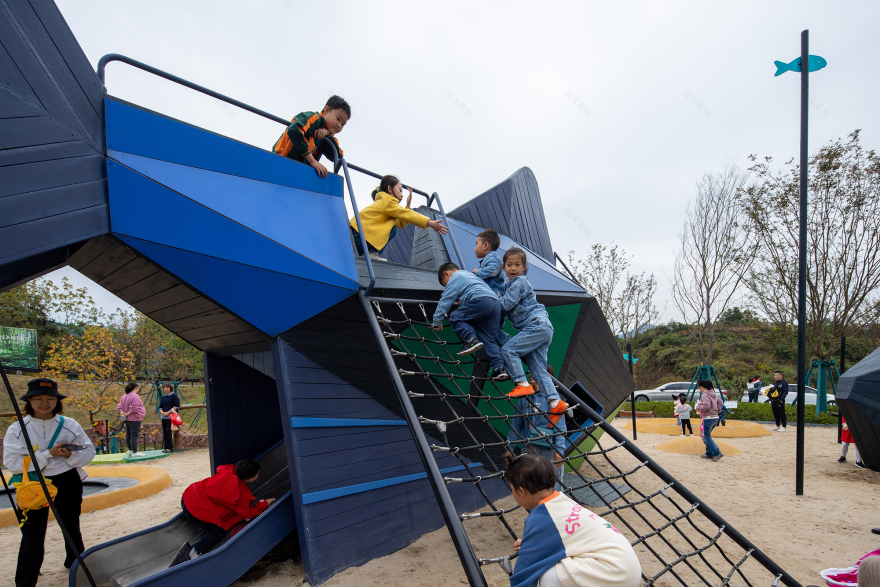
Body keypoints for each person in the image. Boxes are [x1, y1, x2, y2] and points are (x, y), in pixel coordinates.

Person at [3, 378, 96, 586]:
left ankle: (76, 565)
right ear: (29, 400)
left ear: (57, 400)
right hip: (33, 485)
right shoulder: (18, 428)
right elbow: (13, 463)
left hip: (66, 480)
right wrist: (47, 455)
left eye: (50, 398)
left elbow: (89, 452)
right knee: (32, 533)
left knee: (71, 525)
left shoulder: (70, 424)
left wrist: (68, 457)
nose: (44, 403)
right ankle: (25, 581)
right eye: (38, 398)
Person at [506, 453, 641, 587]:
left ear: (521, 491)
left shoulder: (541, 517)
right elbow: (562, 535)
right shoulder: (562, 501)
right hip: (626, 569)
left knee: (550, 576)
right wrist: (532, 543)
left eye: (512, 489)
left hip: (613, 574)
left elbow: (525, 571)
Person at [498, 248, 568, 424]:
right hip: (542, 328)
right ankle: (555, 402)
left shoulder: (519, 282)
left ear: (524, 267)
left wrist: (489, 297)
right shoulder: (508, 284)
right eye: (509, 264)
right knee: (538, 370)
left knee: (509, 350)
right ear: (503, 266)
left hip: (536, 325)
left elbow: (506, 304)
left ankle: (522, 384)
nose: (513, 268)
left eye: (517, 264)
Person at [170, 459, 276, 566]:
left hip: (188, 496)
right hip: (197, 513)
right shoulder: (240, 495)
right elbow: (247, 514)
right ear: (251, 479)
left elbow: (221, 467)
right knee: (220, 529)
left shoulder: (227, 469)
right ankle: (193, 551)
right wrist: (264, 503)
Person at [433, 262, 509, 380]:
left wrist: (437, 321)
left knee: (455, 317)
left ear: (447, 274)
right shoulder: (471, 276)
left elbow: (445, 300)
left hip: (481, 300)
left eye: (446, 284)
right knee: (489, 338)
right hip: (495, 304)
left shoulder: (456, 277)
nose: (448, 286)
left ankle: (471, 340)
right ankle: (499, 368)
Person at [349, 174, 448, 261]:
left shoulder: (387, 204)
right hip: (358, 236)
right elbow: (405, 214)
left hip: (358, 235)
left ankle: (370, 253)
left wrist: (408, 205)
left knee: (393, 227)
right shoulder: (388, 201)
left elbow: (401, 223)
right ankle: (370, 253)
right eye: (400, 190)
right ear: (389, 189)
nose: (402, 195)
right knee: (392, 229)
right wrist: (429, 223)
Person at [503, 366, 566, 487]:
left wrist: (559, 450)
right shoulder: (524, 399)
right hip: (529, 449)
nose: (532, 374)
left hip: (549, 450)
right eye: (532, 371)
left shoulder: (553, 399)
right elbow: (516, 425)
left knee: (552, 483)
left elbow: (560, 426)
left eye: (537, 372)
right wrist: (509, 448)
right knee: (530, 483)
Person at [271, 95, 350, 178]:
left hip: (299, 171)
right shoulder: (313, 118)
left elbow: (338, 157)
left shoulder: (329, 138)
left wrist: (327, 134)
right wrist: (312, 161)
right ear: (326, 111)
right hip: (280, 160)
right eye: (338, 118)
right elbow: (293, 130)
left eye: (343, 124)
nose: (339, 125)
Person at [696, 380, 724, 462]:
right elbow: (721, 402)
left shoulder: (704, 395)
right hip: (714, 418)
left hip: (708, 418)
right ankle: (709, 453)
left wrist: (698, 408)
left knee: (705, 436)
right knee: (704, 435)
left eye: (699, 387)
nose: (699, 389)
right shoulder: (713, 394)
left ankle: (717, 452)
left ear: (701, 387)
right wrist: (717, 408)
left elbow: (706, 406)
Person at [472, 229, 505, 294]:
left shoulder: (492, 257)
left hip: (495, 293)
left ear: (485, 245)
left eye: (477, 244)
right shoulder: (489, 258)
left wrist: (477, 272)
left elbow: (493, 270)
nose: (475, 248)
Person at [118, 382, 146, 456]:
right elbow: (134, 408)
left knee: (128, 434)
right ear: (136, 388)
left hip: (126, 419)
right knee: (134, 435)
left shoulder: (123, 396)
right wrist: (128, 413)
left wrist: (122, 413)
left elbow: (119, 407)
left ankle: (130, 449)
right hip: (134, 418)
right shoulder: (135, 396)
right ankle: (135, 452)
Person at [158, 383, 180, 453]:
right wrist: (162, 412)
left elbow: (176, 406)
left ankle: (168, 448)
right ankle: (168, 447)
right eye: (164, 388)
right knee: (165, 432)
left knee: (168, 431)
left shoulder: (174, 396)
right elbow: (160, 407)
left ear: (170, 388)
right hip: (164, 417)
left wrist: (168, 412)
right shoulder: (163, 397)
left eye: (167, 387)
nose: (165, 389)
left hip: (171, 417)